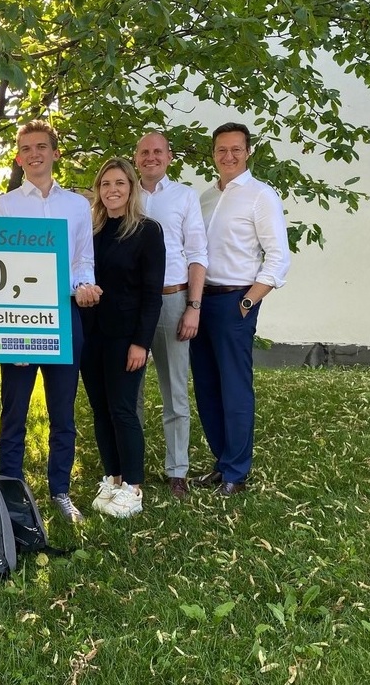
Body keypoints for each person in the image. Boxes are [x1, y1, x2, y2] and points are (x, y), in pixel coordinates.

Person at [0, 120, 101, 523]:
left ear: (55, 152)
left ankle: (60, 491)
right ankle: (10, 493)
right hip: (19, 318)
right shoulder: (3, 206)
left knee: (63, 413)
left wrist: (84, 285)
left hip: (64, 317)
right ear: (18, 158)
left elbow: (82, 259)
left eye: (41, 146)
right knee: (14, 412)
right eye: (26, 149)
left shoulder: (77, 206)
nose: (33, 154)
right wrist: (11, 332)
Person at [190, 122, 291, 496]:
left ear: (248, 152)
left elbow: (278, 257)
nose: (228, 156)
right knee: (206, 386)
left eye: (236, 149)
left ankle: (236, 472)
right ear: (213, 154)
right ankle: (221, 462)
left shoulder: (261, 196)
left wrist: (248, 302)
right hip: (199, 301)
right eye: (221, 149)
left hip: (235, 301)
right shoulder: (204, 198)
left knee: (234, 388)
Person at [80, 158, 166, 517]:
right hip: (90, 335)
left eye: (119, 183)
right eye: (105, 184)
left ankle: (133, 487)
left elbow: (152, 294)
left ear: (131, 188)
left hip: (126, 337)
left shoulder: (147, 231)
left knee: (123, 410)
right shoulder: (89, 231)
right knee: (100, 410)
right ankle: (113, 478)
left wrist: (141, 343)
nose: (112, 190)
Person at [133, 132, 208, 499]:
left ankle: (177, 470)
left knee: (175, 391)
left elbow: (197, 253)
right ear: (136, 158)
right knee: (129, 392)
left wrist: (193, 306)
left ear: (169, 157)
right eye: (144, 152)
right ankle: (130, 468)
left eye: (158, 151)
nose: (151, 157)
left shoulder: (184, 196)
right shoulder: (124, 193)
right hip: (131, 304)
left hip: (172, 299)